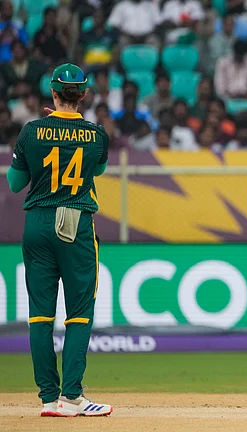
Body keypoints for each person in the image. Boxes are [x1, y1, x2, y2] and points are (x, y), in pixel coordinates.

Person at [5, 63, 112, 417]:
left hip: (36, 224)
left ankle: (50, 400)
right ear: (82, 95)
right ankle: (73, 396)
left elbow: (15, 184)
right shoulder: (96, 135)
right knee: (79, 314)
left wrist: (47, 133)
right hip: (75, 223)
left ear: (52, 93)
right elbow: (94, 172)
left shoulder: (31, 131)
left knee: (39, 316)